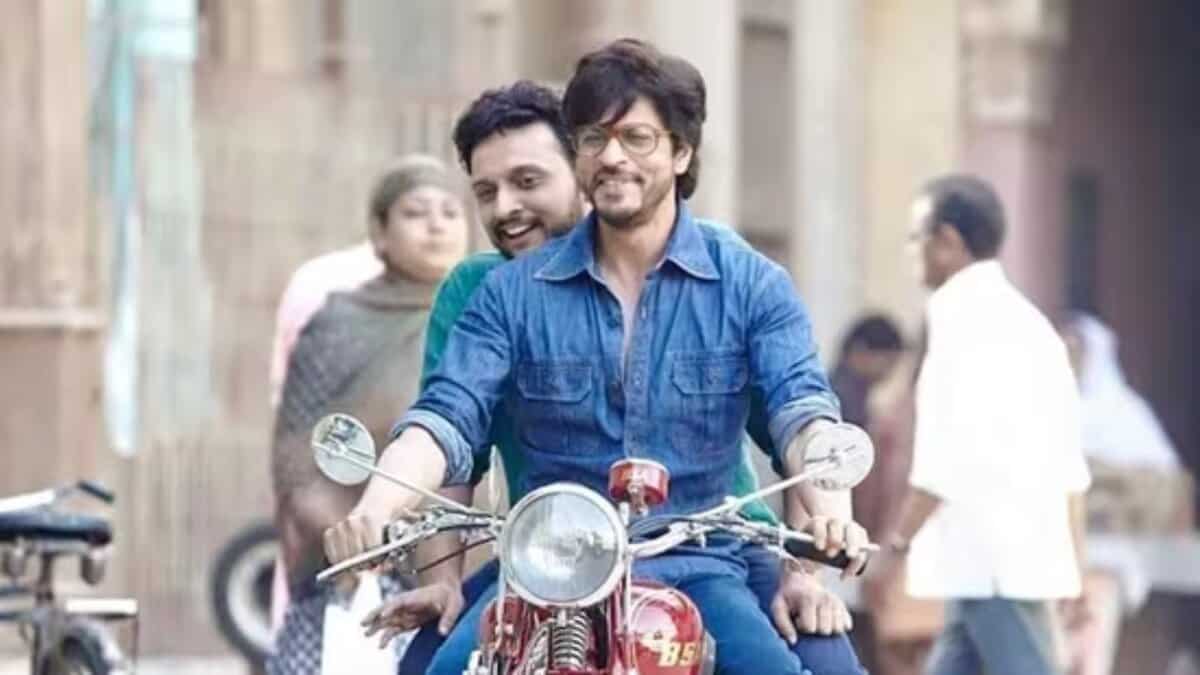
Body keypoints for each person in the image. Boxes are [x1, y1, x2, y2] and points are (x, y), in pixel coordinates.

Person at [324, 39, 873, 675]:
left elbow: (802, 417)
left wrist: (832, 521)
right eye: (593, 139)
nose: (612, 156)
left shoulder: (752, 284)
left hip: (702, 560)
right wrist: (374, 508)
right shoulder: (508, 293)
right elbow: (446, 419)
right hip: (546, 569)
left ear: (681, 152)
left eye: (636, 138)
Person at [867, 174, 1091, 675]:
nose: (910, 252)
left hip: (994, 563)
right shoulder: (1030, 324)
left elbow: (941, 463)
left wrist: (894, 550)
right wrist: (1075, 565)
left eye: (916, 238)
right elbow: (1070, 468)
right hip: (999, 562)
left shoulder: (961, 319)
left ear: (947, 242)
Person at [267, 155, 469, 675]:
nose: (436, 225)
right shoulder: (339, 323)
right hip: (354, 570)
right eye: (416, 212)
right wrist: (355, 541)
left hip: (474, 567)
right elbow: (298, 455)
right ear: (380, 233)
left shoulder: (488, 315)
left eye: (450, 212)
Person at [1058, 312, 1187, 675]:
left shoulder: (1123, 414)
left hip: (1106, 555)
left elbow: (1163, 486)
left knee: (1089, 650)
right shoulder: (1044, 411)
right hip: (1052, 556)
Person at [830, 314, 904, 428]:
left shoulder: (847, 391)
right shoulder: (844, 397)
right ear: (860, 351)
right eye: (889, 361)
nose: (890, 371)